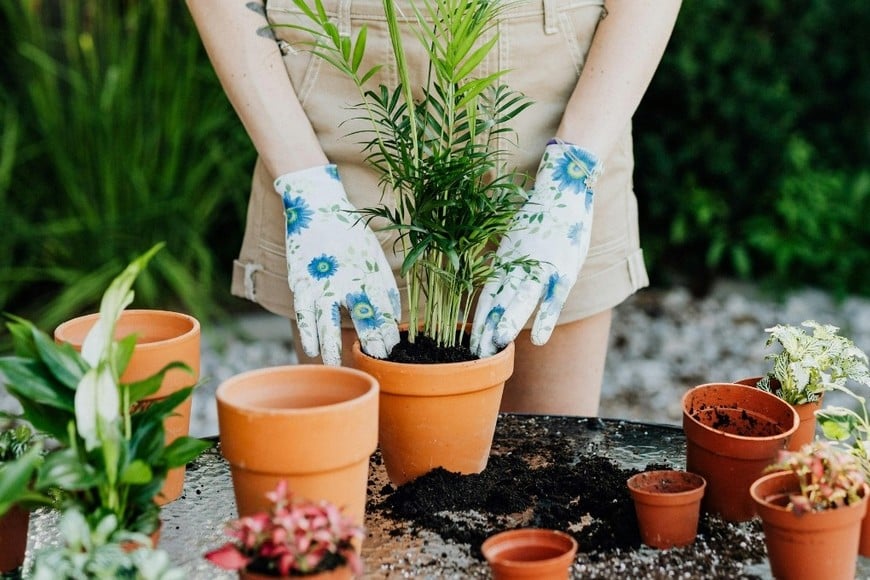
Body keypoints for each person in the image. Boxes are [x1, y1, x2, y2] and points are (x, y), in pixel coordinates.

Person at [187, 0, 682, 416]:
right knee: (367, 493)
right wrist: (304, 180)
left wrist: (572, 171)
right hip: (345, 96)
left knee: (545, 486)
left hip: (558, 98)